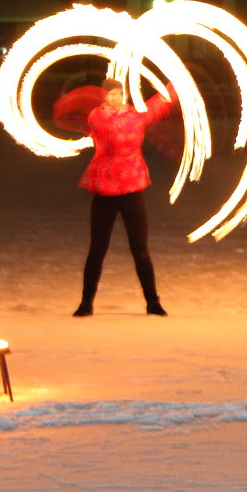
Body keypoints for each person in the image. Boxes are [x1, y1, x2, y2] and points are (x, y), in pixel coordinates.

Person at [71, 78, 176, 317]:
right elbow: (109, 132)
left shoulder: (135, 116)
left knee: (140, 249)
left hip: (131, 189)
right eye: (110, 94)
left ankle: (153, 303)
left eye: (119, 94)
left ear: (124, 95)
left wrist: (176, 84)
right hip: (105, 190)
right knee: (97, 249)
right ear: (104, 97)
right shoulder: (97, 117)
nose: (115, 98)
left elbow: (160, 105)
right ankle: (86, 303)